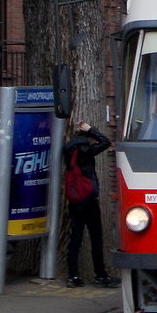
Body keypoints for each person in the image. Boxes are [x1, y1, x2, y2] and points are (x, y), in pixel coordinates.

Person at [64, 120, 120, 288]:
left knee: (75, 238)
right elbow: (106, 142)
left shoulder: (68, 149)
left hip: (74, 199)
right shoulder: (85, 149)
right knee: (96, 237)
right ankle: (100, 275)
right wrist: (91, 129)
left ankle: (73, 276)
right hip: (88, 199)